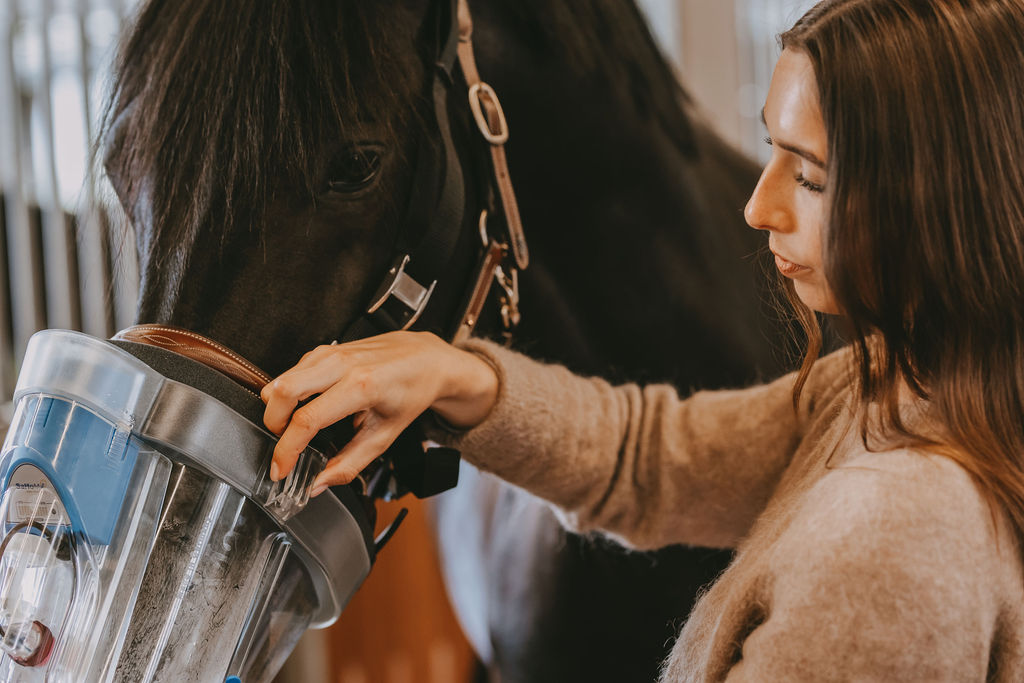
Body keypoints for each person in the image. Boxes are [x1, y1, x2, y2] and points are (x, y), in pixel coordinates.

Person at [262, 0, 1024, 679]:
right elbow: (655, 457)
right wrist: (459, 377)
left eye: (812, 176)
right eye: (773, 152)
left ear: (941, 199)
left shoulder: (900, 534)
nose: (758, 208)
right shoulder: (893, 383)